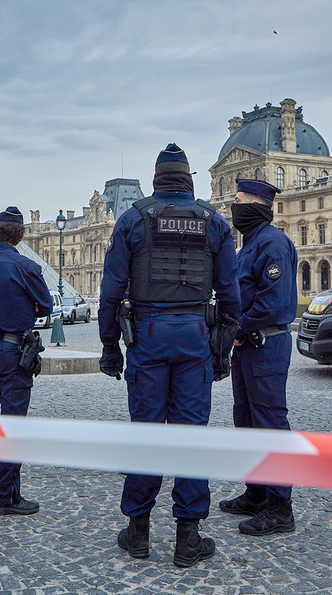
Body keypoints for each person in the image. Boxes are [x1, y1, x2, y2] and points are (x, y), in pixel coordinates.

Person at [99, 143, 240, 568]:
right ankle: (188, 538)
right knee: (191, 436)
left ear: (157, 179)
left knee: (146, 433)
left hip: (148, 335)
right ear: (189, 180)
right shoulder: (214, 222)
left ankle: (138, 532)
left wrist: (109, 346)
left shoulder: (133, 219)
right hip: (195, 336)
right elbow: (230, 295)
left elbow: (110, 293)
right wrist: (221, 349)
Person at [219, 178, 299, 536]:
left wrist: (238, 327)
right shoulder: (250, 244)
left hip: (265, 345)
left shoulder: (273, 244)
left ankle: (280, 507)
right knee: (247, 420)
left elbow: (273, 302)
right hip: (248, 346)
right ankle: (257, 491)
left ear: (254, 205)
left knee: (269, 423)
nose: (233, 207)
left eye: (237, 201)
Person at [0, 206, 53, 516]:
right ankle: (4, 497)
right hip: (14, 353)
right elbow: (46, 306)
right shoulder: (26, 266)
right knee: (12, 425)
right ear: (23, 236)